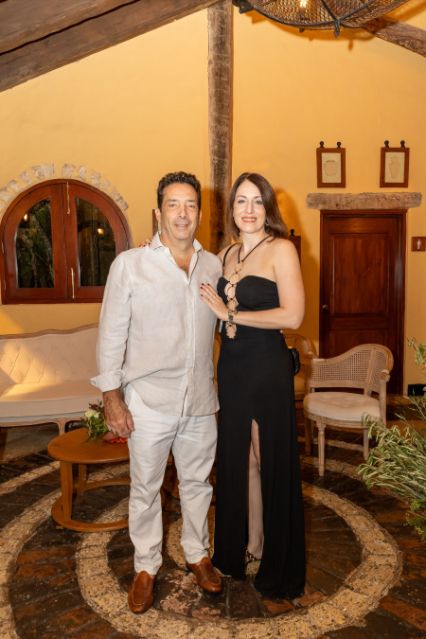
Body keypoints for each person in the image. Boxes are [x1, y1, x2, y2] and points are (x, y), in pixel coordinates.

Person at [92, 171, 223, 615]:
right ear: (158, 212)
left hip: (200, 400)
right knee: (146, 487)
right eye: (173, 204)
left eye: (190, 205)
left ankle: (197, 555)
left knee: (198, 484)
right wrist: (111, 397)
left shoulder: (214, 266)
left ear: (199, 213)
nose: (182, 213)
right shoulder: (130, 265)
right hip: (149, 401)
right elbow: (111, 335)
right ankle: (146, 566)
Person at [200, 172, 306, 599]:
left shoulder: (282, 249)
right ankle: (248, 545)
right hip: (232, 366)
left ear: (268, 208)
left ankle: (278, 562)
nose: (249, 209)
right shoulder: (224, 254)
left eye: (257, 201)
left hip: (266, 366)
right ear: (232, 209)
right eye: (241, 201)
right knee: (240, 460)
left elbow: (293, 316)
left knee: (267, 457)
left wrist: (230, 314)